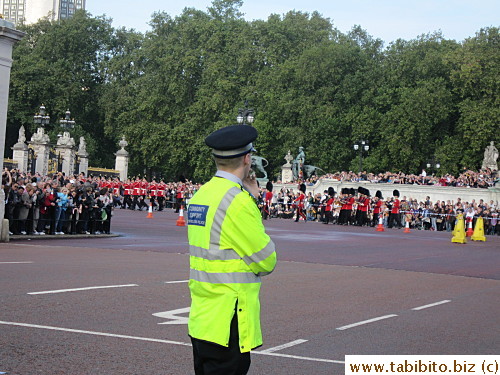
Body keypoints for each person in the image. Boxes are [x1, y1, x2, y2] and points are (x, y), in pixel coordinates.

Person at [187, 124, 277, 375]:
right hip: (229, 318)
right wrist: (252, 201)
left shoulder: (200, 195)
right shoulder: (237, 200)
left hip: (203, 315)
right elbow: (266, 260)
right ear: (248, 159)